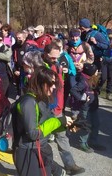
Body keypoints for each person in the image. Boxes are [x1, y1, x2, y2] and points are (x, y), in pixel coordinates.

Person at [12, 68, 73, 176]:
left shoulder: (42, 98)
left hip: (41, 149)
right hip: (27, 152)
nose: (54, 87)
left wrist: (65, 125)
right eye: (52, 83)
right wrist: (59, 121)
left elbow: (47, 125)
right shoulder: (28, 102)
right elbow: (33, 133)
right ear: (41, 83)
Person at [43, 42, 85, 176]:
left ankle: (70, 165)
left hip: (58, 108)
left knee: (62, 136)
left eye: (57, 57)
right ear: (45, 55)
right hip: (45, 110)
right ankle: (43, 166)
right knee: (42, 140)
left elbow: (60, 89)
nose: (56, 60)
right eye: (53, 58)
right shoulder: (41, 69)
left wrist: (61, 107)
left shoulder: (58, 67)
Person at [70, 63, 105, 152]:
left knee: (96, 124)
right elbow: (73, 90)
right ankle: (82, 143)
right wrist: (82, 98)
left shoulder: (92, 79)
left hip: (93, 106)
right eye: (96, 71)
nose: (98, 72)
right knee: (86, 126)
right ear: (91, 72)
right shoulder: (83, 82)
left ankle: (93, 141)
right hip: (86, 107)